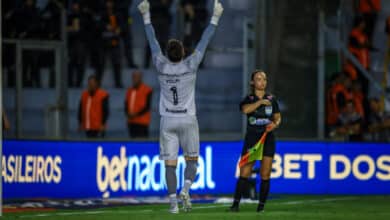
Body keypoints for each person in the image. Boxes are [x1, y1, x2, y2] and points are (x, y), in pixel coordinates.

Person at [138, 0, 223, 213]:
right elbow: (204, 40)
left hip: (167, 120)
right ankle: (186, 188)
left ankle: (174, 205)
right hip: (188, 119)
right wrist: (215, 18)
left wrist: (146, 16)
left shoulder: (160, 64)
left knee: (170, 165)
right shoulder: (191, 65)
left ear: (167, 54)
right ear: (183, 52)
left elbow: (152, 41)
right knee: (192, 161)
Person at [229, 70, 281, 213]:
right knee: (244, 172)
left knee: (266, 174)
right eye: (258, 79)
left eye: (264, 79)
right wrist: (259, 103)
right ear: (252, 82)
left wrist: (275, 125)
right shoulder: (248, 98)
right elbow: (245, 110)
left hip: (268, 139)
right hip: (252, 140)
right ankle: (235, 205)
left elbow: (278, 117)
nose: (262, 81)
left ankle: (261, 207)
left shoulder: (272, 99)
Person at [100, 0, 123, 88]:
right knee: (101, 63)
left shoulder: (118, 14)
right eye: (108, 2)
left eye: (111, 2)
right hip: (104, 42)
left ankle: (118, 83)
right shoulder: (102, 14)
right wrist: (106, 26)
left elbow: (123, 25)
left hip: (115, 41)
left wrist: (119, 29)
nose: (109, 4)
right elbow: (99, 26)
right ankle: (98, 82)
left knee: (117, 63)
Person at [144, 0, 173, 68]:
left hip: (165, 18)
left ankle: (162, 64)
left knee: (164, 42)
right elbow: (150, 4)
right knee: (151, 42)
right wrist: (161, 3)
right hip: (154, 18)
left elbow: (168, 4)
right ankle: (146, 64)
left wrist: (162, 3)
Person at [125, 71, 153, 138]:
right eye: (133, 77)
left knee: (142, 142)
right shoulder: (129, 90)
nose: (134, 79)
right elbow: (126, 104)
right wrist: (128, 114)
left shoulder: (147, 90)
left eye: (136, 77)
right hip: (131, 122)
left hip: (142, 122)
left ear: (141, 78)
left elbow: (147, 107)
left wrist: (135, 114)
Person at [67, 1, 87, 88]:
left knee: (80, 63)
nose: (75, 6)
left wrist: (78, 29)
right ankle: (70, 83)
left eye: (77, 4)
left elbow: (86, 29)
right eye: (74, 5)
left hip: (81, 42)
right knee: (70, 63)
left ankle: (78, 83)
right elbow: (66, 28)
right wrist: (71, 29)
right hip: (71, 42)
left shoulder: (84, 16)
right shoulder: (69, 16)